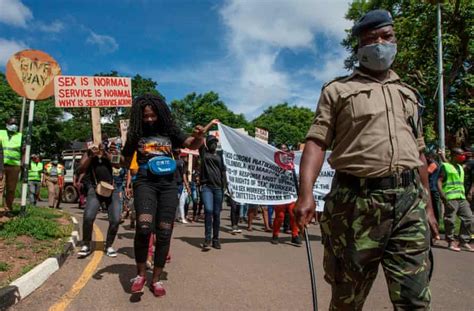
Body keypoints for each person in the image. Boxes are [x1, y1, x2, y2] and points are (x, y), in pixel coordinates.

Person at [295, 9, 439, 310]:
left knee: (415, 300)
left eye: (387, 37)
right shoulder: (337, 90)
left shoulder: (409, 95)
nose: (380, 44)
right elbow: (317, 141)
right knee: (347, 298)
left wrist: (428, 207)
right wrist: (305, 194)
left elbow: (418, 153)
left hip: (408, 202)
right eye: (371, 39)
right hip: (355, 204)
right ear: (359, 47)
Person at [121, 94, 215, 297]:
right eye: (145, 116)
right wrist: (128, 174)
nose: (149, 120)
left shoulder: (170, 131)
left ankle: (156, 279)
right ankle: (140, 275)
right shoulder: (136, 134)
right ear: (139, 116)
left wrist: (199, 136)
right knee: (144, 228)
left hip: (168, 186)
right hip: (145, 183)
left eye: (153, 115)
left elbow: (191, 144)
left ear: (160, 114)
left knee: (164, 232)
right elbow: (126, 158)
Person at [77, 142, 121, 258]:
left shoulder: (109, 152)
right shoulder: (89, 153)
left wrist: (106, 153)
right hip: (94, 188)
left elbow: (118, 165)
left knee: (116, 219)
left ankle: (109, 245)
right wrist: (92, 155)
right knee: (88, 217)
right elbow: (81, 168)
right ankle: (86, 244)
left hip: (112, 188)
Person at [437, 148, 473, 252]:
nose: (463, 156)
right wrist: (443, 196)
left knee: (469, 218)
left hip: (461, 198)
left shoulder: (460, 167)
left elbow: (451, 164)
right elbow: (439, 181)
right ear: (454, 155)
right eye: (460, 154)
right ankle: (451, 241)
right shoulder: (445, 167)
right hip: (450, 198)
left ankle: (463, 241)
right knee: (450, 221)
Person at [200, 134, 226, 250]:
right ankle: (207, 239)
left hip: (218, 188)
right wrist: (210, 123)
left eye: (215, 142)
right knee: (208, 210)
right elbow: (199, 137)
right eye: (211, 142)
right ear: (207, 144)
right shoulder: (204, 153)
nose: (213, 144)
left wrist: (225, 186)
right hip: (207, 187)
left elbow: (223, 172)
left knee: (216, 214)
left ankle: (216, 239)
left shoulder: (221, 155)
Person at [0, 118, 23, 214]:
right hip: (1, 165)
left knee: (11, 189)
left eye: (15, 124)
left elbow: (24, 151)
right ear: (6, 124)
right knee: (0, 187)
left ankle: (8, 209)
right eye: (11, 123)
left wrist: (22, 164)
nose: (14, 125)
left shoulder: (20, 136)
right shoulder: (1, 133)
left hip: (14, 166)